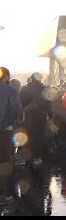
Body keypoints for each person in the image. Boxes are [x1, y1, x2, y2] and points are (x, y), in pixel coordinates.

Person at [0, 67, 21, 205]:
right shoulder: (11, 90)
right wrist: (8, 123)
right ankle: (1, 195)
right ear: (7, 77)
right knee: (3, 160)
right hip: (4, 131)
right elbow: (15, 109)